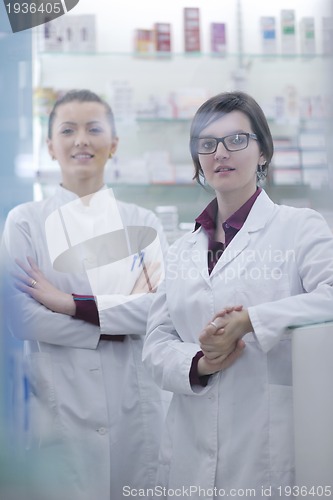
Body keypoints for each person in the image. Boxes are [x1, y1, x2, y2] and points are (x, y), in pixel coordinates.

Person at [142, 91, 333, 499]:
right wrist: (201, 361)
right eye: (207, 144)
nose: (221, 153)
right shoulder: (181, 250)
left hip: (266, 448)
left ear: (263, 151)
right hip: (190, 452)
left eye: (237, 140)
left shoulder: (300, 228)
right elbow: (156, 343)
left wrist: (249, 321)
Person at [2, 89, 170, 500]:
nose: (82, 140)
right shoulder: (24, 221)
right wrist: (110, 328)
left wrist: (67, 304)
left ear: (113, 144)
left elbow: (158, 309)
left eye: (94, 129)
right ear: (50, 146)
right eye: (68, 130)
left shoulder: (142, 222)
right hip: (61, 403)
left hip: (135, 404)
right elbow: (22, 318)